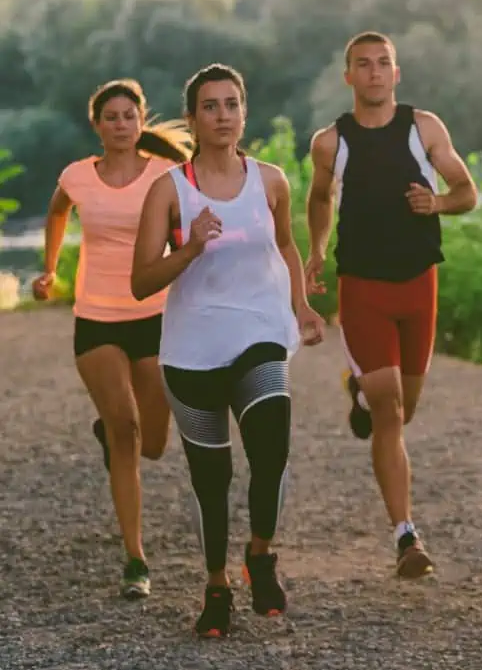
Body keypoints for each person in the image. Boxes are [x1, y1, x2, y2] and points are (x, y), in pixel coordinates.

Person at [131, 63, 326, 638]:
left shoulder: (271, 181)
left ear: (244, 112)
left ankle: (260, 553)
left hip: (259, 331)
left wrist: (302, 306)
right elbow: (141, 281)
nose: (223, 115)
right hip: (191, 349)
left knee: (271, 447)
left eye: (232, 104)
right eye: (210, 106)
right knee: (210, 479)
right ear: (192, 119)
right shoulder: (169, 190)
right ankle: (216, 585)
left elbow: (286, 247)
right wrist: (190, 248)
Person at [305, 31, 478, 579]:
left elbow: (467, 192)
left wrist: (437, 203)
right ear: (349, 76)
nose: (375, 72)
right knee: (392, 411)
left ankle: (359, 392)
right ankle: (406, 535)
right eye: (364, 64)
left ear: (396, 74)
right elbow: (319, 197)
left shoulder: (424, 128)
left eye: (383, 63)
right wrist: (316, 251)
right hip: (362, 287)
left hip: (419, 282)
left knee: (407, 407)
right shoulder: (331, 142)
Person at [32, 79, 191, 599]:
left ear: (141, 121)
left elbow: (184, 232)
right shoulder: (78, 176)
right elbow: (57, 211)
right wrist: (49, 269)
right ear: (96, 125)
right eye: (111, 117)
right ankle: (135, 559)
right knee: (127, 430)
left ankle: (112, 432)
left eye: (129, 116)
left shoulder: (165, 175)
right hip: (97, 317)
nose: (121, 125)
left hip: (155, 316)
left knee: (155, 444)